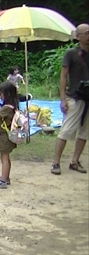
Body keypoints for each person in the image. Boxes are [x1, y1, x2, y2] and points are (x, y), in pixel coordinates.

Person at [51, 23, 89, 175]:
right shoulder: (71, 53)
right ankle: (56, 162)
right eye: (86, 33)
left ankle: (75, 161)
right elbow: (63, 76)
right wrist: (62, 99)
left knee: (84, 132)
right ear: (78, 36)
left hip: (88, 99)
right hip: (74, 97)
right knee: (66, 131)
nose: (88, 36)